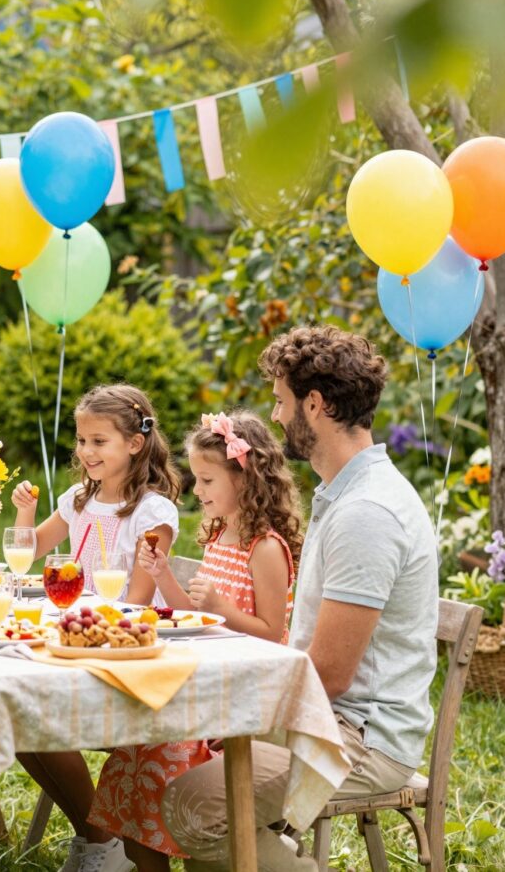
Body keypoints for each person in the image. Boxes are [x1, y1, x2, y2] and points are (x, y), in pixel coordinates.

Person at [161, 326, 439, 871]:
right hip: (325, 714)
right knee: (187, 760)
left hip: (357, 738)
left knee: (194, 803)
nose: (278, 415)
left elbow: (330, 675)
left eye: (282, 401)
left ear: (314, 404)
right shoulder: (345, 494)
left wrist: (244, 701)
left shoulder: (367, 514)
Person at [89, 409, 303, 871]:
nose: (197, 491)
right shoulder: (221, 534)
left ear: (244, 478)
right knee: (132, 755)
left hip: (241, 702)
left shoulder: (264, 547)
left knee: (156, 759)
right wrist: (163, 575)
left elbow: (273, 635)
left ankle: (183, 847)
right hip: (205, 686)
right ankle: (142, 855)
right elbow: (195, 612)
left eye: (207, 481)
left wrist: (226, 611)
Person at [10, 383, 182, 872]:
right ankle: (98, 838)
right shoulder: (78, 499)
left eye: (99, 441)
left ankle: (100, 842)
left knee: (35, 718)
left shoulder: (152, 513)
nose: (86, 452)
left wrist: (84, 626)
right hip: (77, 643)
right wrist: (24, 511)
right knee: (20, 720)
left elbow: (137, 607)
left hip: (123, 660)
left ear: (135, 443)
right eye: (82, 440)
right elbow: (30, 550)